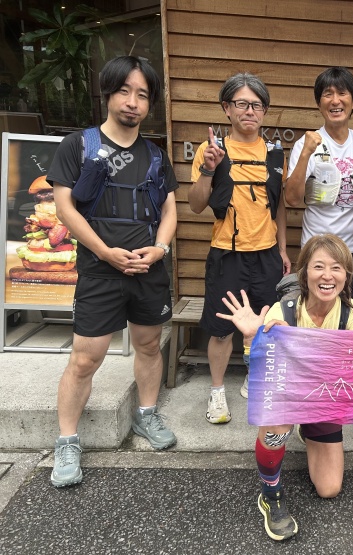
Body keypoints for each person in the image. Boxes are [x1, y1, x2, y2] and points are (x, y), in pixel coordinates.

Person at [47, 56, 178, 488]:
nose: (132, 102)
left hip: (147, 269)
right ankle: (67, 441)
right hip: (99, 270)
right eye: (124, 91)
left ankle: (146, 414)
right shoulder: (78, 145)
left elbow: (169, 210)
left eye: (142, 94)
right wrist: (105, 252)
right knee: (86, 357)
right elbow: (64, 208)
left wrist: (159, 250)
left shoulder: (155, 155)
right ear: (108, 93)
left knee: (149, 344)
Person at [216, 234, 353, 541]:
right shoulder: (282, 312)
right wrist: (251, 342)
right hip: (288, 397)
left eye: (336, 268)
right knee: (276, 423)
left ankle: (307, 429)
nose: (327, 275)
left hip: (326, 401)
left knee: (329, 488)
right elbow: (263, 382)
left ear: (346, 275)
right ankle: (270, 493)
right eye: (319, 266)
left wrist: (298, 346)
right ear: (305, 273)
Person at [188, 73, 290, 424]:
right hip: (226, 253)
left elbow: (278, 207)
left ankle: (253, 377)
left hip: (266, 254)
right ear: (227, 108)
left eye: (256, 105)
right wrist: (208, 170)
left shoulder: (275, 154)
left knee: (266, 325)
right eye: (242, 104)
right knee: (221, 328)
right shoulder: (211, 151)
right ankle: (217, 391)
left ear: (264, 111)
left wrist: (283, 250)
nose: (249, 111)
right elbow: (195, 205)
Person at [284, 67, 353, 307]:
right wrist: (306, 153)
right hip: (317, 250)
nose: (335, 101)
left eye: (342, 93)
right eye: (328, 94)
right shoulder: (306, 144)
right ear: (319, 103)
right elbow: (292, 199)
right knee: (316, 317)